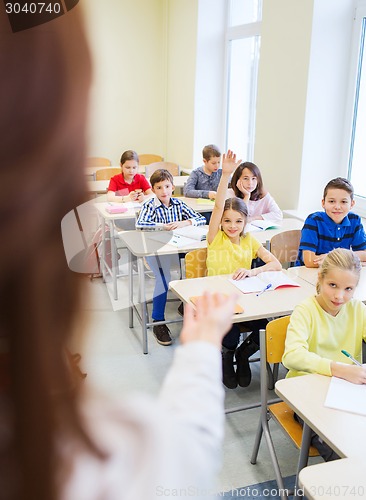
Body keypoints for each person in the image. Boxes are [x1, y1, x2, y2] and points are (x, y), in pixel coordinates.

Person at [0, 7, 238, 500]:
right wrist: (200, 347)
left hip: (171, 247)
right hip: (149, 248)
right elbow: (185, 451)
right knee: (157, 281)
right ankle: (158, 319)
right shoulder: (102, 455)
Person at [207, 151, 282, 389]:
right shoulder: (215, 238)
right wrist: (226, 174)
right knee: (228, 328)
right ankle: (227, 356)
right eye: (227, 221)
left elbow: (276, 264)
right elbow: (220, 205)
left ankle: (242, 354)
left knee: (266, 327)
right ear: (220, 222)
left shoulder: (249, 240)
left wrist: (252, 272)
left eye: (238, 221)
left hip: (244, 295)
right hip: (218, 298)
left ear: (245, 222)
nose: (232, 226)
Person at [282, 248, 366, 460]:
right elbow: (291, 356)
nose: (339, 296)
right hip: (306, 394)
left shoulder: (357, 309)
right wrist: (339, 369)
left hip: (347, 393)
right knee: (342, 451)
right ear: (320, 278)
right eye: (333, 285)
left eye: (348, 288)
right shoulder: (306, 310)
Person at [136, 169, 206, 346]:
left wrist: (185, 222)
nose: (164, 191)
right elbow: (140, 224)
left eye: (167, 186)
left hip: (177, 248)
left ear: (173, 187)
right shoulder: (149, 206)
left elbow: (200, 219)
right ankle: (158, 320)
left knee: (197, 269)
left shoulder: (178, 204)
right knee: (164, 279)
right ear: (153, 190)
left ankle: (187, 305)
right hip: (156, 250)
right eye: (159, 187)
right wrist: (163, 227)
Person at [297, 177, 366, 267]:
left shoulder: (355, 220)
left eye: (343, 202)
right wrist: (349, 259)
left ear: (352, 204)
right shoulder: (314, 221)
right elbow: (310, 261)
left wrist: (332, 257)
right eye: (332, 201)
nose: (337, 206)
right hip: (306, 274)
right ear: (323, 203)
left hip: (338, 273)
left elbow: (364, 254)